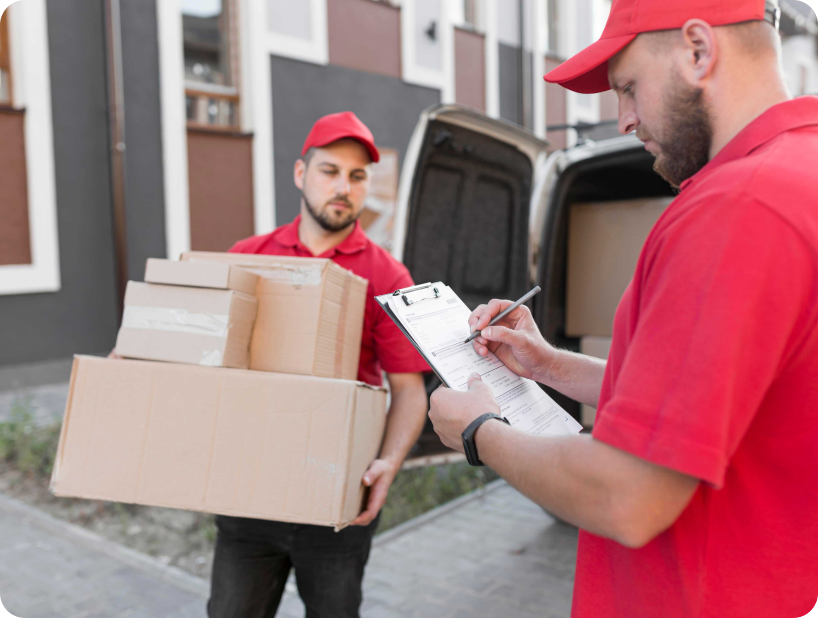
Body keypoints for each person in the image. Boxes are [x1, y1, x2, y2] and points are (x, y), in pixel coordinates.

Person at [428, 0, 818, 616]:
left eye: (628, 88)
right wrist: (550, 365)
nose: (624, 119)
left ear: (697, 50)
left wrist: (480, 431)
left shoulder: (737, 207)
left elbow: (627, 496)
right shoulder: (796, 174)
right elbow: (704, 410)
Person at [206, 112, 429, 618]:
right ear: (300, 174)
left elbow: (409, 390)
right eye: (330, 171)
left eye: (357, 176)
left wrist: (388, 465)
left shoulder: (387, 275)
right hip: (249, 495)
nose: (343, 188)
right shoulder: (248, 255)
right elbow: (207, 361)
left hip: (337, 498)